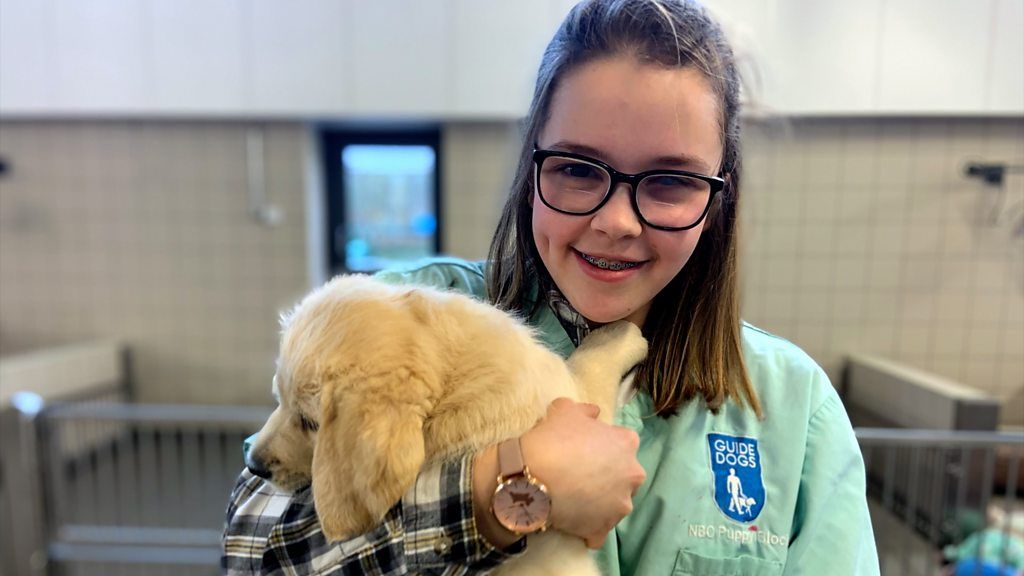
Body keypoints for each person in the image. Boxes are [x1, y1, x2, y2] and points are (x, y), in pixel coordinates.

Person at [222, 0, 881, 574]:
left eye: (671, 181)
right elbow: (253, 552)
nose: (616, 222)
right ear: (532, 166)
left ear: (718, 200)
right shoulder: (407, 318)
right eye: (576, 169)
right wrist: (503, 490)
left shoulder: (795, 409)